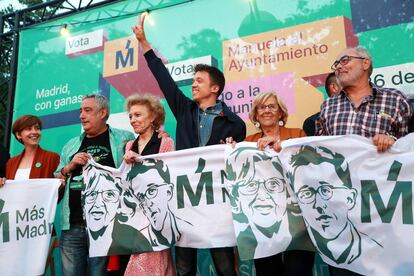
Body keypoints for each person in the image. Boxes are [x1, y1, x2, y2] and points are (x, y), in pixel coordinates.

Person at [132, 15, 246, 276]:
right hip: (183, 200)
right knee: (184, 266)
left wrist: (232, 148)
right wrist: (143, 42)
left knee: (225, 265)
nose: (193, 84)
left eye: (200, 80)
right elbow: (164, 79)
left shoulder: (235, 124)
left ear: (215, 88)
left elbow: (239, 164)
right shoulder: (184, 110)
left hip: (218, 202)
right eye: (193, 80)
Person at [56, 94, 134, 276]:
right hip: (72, 225)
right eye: (81, 111)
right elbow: (57, 180)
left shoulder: (124, 139)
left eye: (87, 110)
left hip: (106, 225)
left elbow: (142, 157)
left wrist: (160, 135)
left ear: (103, 113)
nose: (81, 115)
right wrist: (70, 166)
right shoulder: (71, 145)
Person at [241, 91, 314, 275]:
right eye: (262, 107)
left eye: (272, 106)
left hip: (297, 218)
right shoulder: (247, 142)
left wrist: (281, 145)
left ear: (280, 113)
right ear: (256, 115)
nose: (267, 111)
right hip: (263, 219)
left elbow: (309, 166)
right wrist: (231, 149)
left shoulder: (297, 134)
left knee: (298, 271)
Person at [290, 145, 383, 275]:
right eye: (306, 193)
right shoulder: (320, 246)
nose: (318, 204)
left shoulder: (377, 252)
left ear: (350, 198)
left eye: (325, 191)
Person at [316, 46, 412, 153]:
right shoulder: (328, 105)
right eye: (336, 64)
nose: (338, 66)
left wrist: (392, 141)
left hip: (381, 168)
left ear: (365, 63)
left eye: (345, 60)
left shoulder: (396, 99)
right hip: (341, 170)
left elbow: (408, 147)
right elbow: (320, 152)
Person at [122, 94, 175, 275]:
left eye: (138, 115)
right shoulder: (129, 145)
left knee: (155, 261)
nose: (132, 120)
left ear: (153, 117)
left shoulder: (165, 142)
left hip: (157, 215)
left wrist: (141, 163)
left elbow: (168, 176)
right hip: (134, 217)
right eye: (130, 116)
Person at [225, 147, 291, 260]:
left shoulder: (301, 234)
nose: (262, 196)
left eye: (273, 184)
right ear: (236, 198)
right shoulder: (247, 239)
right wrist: (230, 148)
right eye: (251, 185)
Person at [0, 115, 59, 187]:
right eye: (29, 129)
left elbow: (58, 189)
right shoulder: (11, 162)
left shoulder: (52, 157)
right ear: (18, 135)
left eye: (37, 128)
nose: (34, 132)